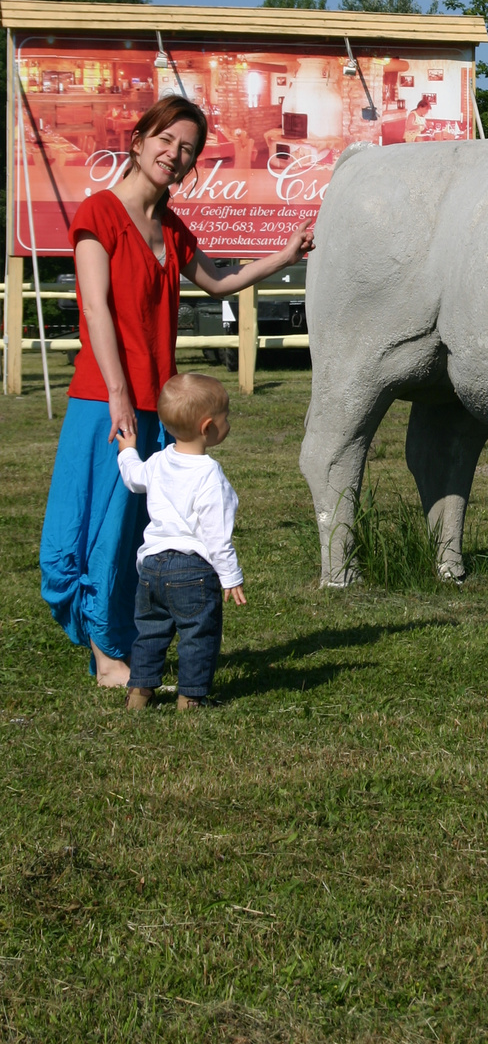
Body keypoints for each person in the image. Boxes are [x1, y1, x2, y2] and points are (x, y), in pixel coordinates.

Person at [38, 94, 313, 687]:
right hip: (104, 401)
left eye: (186, 148)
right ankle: (108, 655)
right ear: (138, 142)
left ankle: (123, 648)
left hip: (155, 405)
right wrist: (116, 392)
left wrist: (284, 256)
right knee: (94, 531)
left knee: (136, 537)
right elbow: (95, 308)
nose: (174, 153)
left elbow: (221, 281)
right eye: (166, 140)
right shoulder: (99, 213)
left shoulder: (171, 227)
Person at [119, 372, 242, 711]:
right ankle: (191, 697)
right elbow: (217, 536)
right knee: (198, 634)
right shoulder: (209, 475)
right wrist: (230, 577)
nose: (228, 423)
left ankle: (139, 693)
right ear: (207, 427)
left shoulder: (158, 460)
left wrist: (128, 451)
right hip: (192, 570)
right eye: (225, 417)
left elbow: (133, 478)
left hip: (151, 568)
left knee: (150, 632)